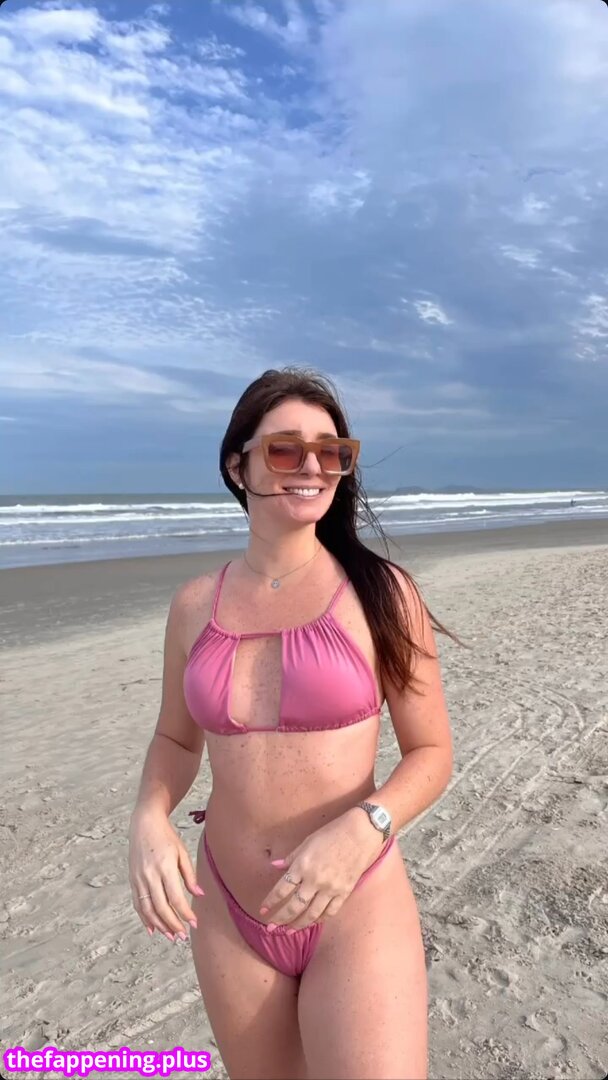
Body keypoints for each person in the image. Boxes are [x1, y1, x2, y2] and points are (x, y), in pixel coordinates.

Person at [128, 366, 456, 1080]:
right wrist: (150, 818)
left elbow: (432, 752)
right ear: (236, 466)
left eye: (331, 451)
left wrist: (364, 827)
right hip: (228, 906)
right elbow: (175, 738)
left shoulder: (382, 594)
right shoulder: (193, 605)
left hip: (354, 897)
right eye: (286, 449)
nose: (312, 466)